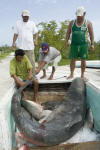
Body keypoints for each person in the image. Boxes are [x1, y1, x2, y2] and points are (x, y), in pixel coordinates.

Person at [66, 6, 94, 80]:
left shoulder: (88, 23)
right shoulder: (72, 22)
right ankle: (71, 74)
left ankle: (82, 75)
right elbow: (68, 33)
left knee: (83, 60)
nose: (79, 17)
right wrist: (66, 41)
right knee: (72, 59)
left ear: (84, 14)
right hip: (74, 44)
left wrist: (92, 44)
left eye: (80, 16)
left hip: (83, 45)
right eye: (78, 16)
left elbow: (91, 34)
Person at [11, 10, 38, 77]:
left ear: (29, 16)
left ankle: (33, 77)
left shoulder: (32, 23)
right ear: (22, 16)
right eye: (24, 16)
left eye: (27, 16)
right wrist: (13, 44)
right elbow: (16, 34)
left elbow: (36, 33)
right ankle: (23, 77)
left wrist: (36, 40)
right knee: (22, 63)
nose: (26, 17)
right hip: (21, 48)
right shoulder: (18, 23)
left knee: (32, 63)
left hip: (30, 47)